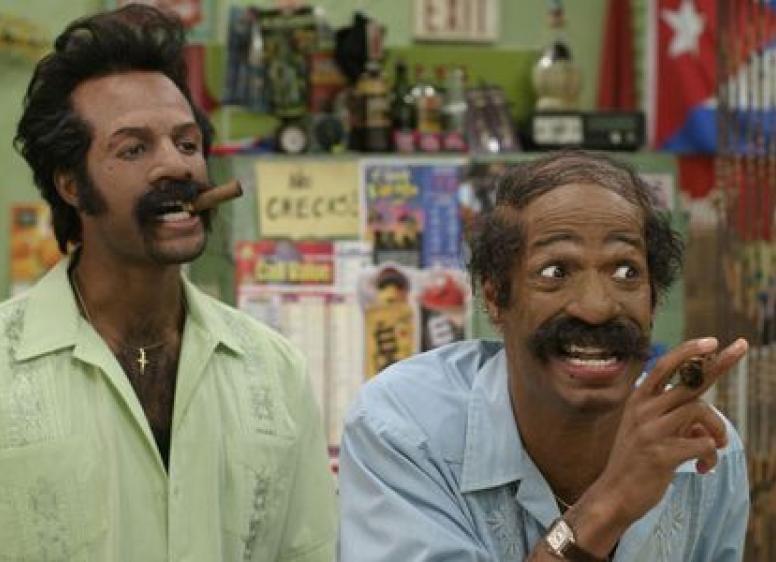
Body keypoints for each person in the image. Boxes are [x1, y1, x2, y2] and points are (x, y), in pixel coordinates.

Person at [5, 5, 335, 560]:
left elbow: (309, 550)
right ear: (70, 185)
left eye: (186, 144)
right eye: (133, 149)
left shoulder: (274, 371)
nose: (178, 167)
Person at [338, 150, 750, 561]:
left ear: (654, 299)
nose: (596, 307)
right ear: (496, 297)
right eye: (555, 272)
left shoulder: (700, 451)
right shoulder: (405, 431)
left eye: (626, 272)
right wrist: (610, 503)